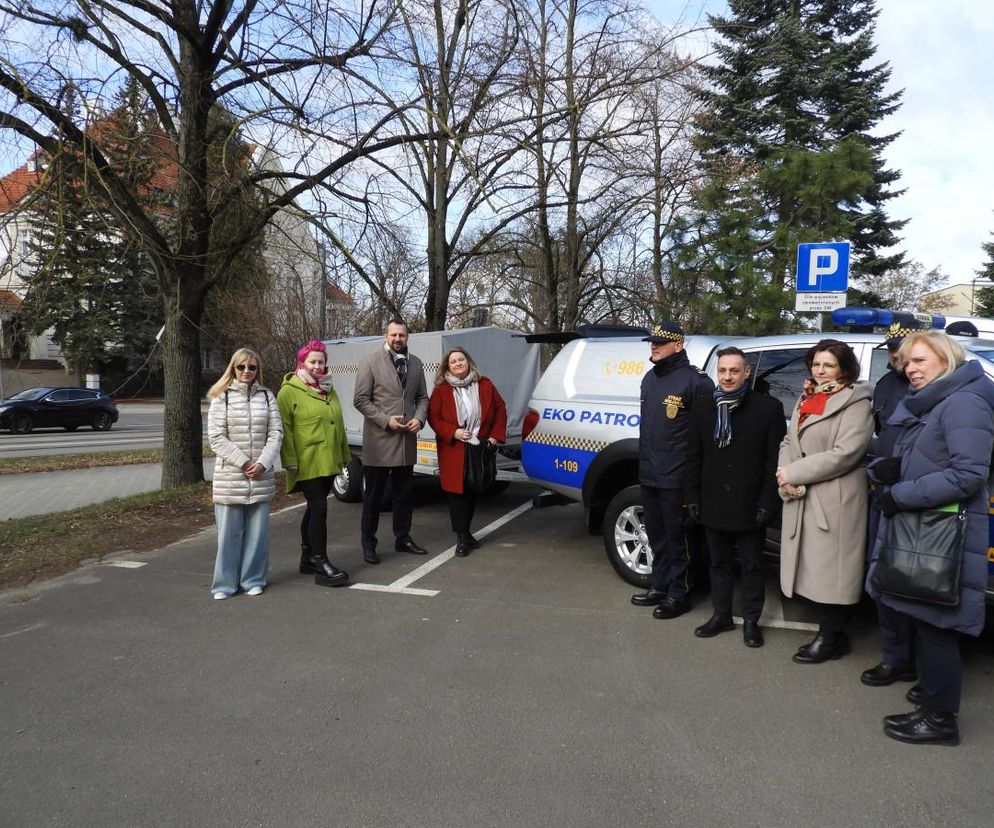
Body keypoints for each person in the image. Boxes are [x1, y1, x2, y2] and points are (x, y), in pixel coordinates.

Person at [867, 330, 994, 746]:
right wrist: (891, 470)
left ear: (947, 360)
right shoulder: (939, 401)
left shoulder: (963, 403)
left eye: (920, 360)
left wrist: (898, 495)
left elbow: (967, 475)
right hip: (925, 528)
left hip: (941, 532)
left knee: (938, 624)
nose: (911, 369)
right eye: (907, 362)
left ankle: (940, 720)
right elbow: (929, 457)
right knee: (926, 619)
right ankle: (933, 696)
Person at [775, 339, 873, 663]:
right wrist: (784, 471)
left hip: (836, 497)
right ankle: (835, 635)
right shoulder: (809, 396)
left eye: (828, 365)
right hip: (805, 492)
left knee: (834, 572)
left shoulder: (855, 401)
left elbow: (845, 455)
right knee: (816, 567)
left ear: (844, 368)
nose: (820, 370)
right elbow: (791, 439)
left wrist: (794, 473)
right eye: (816, 364)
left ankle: (829, 637)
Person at [685, 347, 785, 648]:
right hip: (713, 500)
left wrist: (768, 502)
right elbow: (693, 456)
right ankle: (722, 615)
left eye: (734, 371)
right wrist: (692, 496)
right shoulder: (703, 407)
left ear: (746, 373)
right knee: (719, 563)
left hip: (750, 503)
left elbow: (774, 461)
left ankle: (751, 620)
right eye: (723, 371)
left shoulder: (768, 408)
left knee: (753, 566)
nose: (728, 377)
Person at [630, 320, 714, 619]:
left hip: (678, 477)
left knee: (680, 540)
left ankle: (681, 593)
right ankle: (661, 585)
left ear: (678, 345)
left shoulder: (697, 382)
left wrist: (694, 484)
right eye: (652, 342)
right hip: (651, 473)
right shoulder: (650, 380)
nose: (653, 346)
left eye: (660, 343)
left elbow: (706, 437)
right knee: (657, 536)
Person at [859, 322, 921, 688]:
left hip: (921, 499)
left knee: (919, 581)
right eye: (894, 348)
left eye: (904, 347)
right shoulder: (885, 385)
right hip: (883, 495)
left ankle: (922, 661)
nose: (896, 355)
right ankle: (896, 657)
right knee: (882, 574)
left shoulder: (938, 387)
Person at [206, 348, 283, 599]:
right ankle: (224, 585)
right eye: (242, 367)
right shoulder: (221, 397)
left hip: (260, 477)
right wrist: (243, 462)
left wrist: (262, 463)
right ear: (233, 368)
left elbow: (276, 433)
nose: (247, 371)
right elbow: (216, 438)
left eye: (252, 367)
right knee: (229, 536)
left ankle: (253, 580)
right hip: (231, 478)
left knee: (257, 536)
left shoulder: (267, 396)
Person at [354, 318, 430, 564]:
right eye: (394, 335)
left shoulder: (416, 364)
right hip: (379, 440)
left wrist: (419, 419)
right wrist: (386, 421)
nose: (398, 339)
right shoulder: (370, 362)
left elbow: (422, 398)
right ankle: (369, 543)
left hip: (406, 441)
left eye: (402, 335)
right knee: (374, 497)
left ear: (408, 337)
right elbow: (361, 400)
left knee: (404, 495)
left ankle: (403, 538)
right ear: (385, 335)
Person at [277, 339, 351, 587]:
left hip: (329, 459)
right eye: (313, 362)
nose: (317, 366)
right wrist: (289, 460)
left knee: (313, 508)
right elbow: (284, 429)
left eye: (321, 362)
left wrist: (343, 455)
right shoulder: (289, 390)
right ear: (302, 363)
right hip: (306, 461)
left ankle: (307, 558)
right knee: (319, 508)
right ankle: (322, 563)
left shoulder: (328, 388)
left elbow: (337, 424)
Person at [427, 347, 508, 557]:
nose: (458, 364)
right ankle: (462, 537)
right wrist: (452, 432)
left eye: (461, 359)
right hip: (454, 449)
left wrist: (494, 436)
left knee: (473, 488)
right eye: (453, 362)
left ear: (468, 362)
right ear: (447, 367)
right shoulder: (441, 390)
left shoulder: (485, 385)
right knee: (457, 493)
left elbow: (500, 409)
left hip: (478, 446)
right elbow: (433, 418)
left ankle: (466, 532)